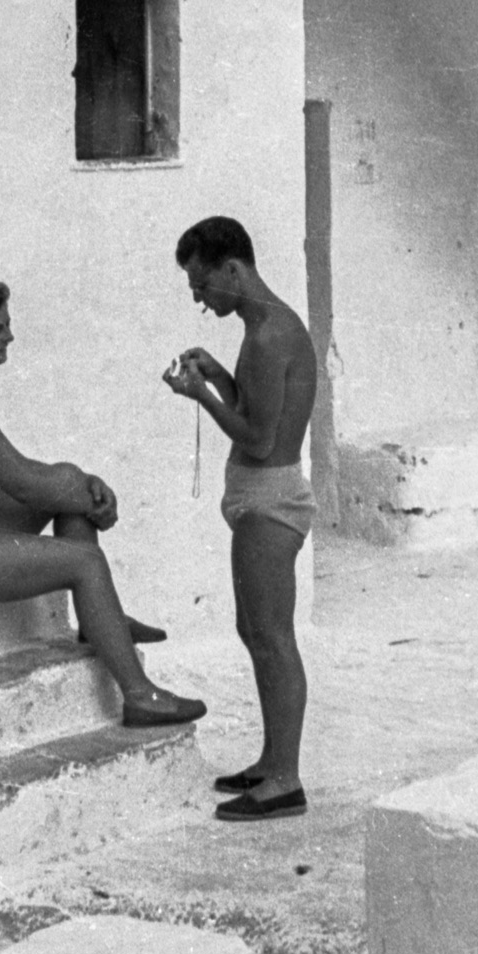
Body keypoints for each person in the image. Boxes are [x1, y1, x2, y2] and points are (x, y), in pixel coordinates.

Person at [0, 279, 205, 729]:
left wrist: (84, 486)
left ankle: (97, 623)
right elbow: (22, 482)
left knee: (68, 484)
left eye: (8, 327)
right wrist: (90, 495)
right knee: (86, 562)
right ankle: (140, 695)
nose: (10, 337)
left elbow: (26, 472)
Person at [163, 217, 316, 819]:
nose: (200, 300)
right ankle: (271, 761)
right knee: (254, 633)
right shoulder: (258, 330)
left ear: (233, 269)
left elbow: (256, 439)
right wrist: (221, 378)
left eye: (203, 286)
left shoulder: (271, 334)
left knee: (273, 638)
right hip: (259, 498)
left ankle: (285, 780)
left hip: (270, 502)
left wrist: (200, 395)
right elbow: (257, 410)